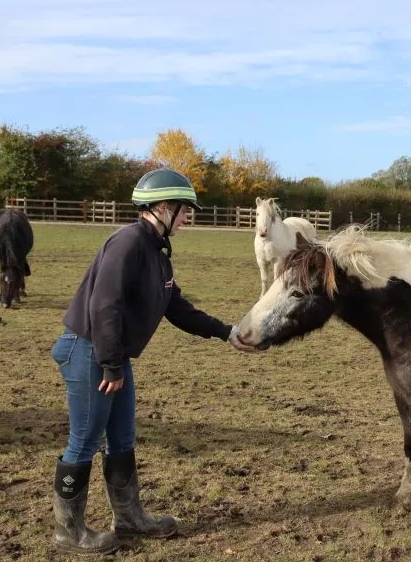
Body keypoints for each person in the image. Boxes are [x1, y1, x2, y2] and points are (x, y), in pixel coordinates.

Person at [48, 168, 256, 556]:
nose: (189, 216)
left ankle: (129, 518)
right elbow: (103, 305)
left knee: (123, 439)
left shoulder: (157, 251)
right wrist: (110, 364)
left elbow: (174, 306)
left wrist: (225, 331)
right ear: (162, 207)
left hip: (112, 356)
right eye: (184, 209)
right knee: (85, 440)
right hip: (90, 351)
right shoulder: (128, 243)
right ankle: (68, 531)